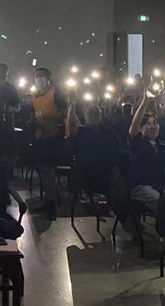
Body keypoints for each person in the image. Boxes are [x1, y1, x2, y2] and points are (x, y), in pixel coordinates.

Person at [125, 98, 165, 260]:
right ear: (142, 128)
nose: (152, 126)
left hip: (162, 186)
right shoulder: (137, 143)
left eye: (154, 123)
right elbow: (134, 124)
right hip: (141, 187)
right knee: (163, 204)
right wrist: (146, 101)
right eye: (148, 124)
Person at [31, 67, 69, 220]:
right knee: (42, 172)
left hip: (54, 138)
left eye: (42, 76)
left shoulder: (56, 93)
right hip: (41, 137)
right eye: (37, 76)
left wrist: (51, 122)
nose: (39, 79)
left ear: (48, 79)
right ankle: (48, 200)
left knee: (49, 172)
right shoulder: (35, 96)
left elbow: (64, 113)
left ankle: (52, 205)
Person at [71, 104, 123, 198]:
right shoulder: (81, 131)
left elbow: (117, 147)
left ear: (100, 116)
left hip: (104, 169)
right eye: (89, 113)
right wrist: (72, 105)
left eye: (95, 113)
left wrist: (110, 161)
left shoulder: (108, 132)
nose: (92, 116)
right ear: (86, 115)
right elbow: (71, 126)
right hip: (85, 169)